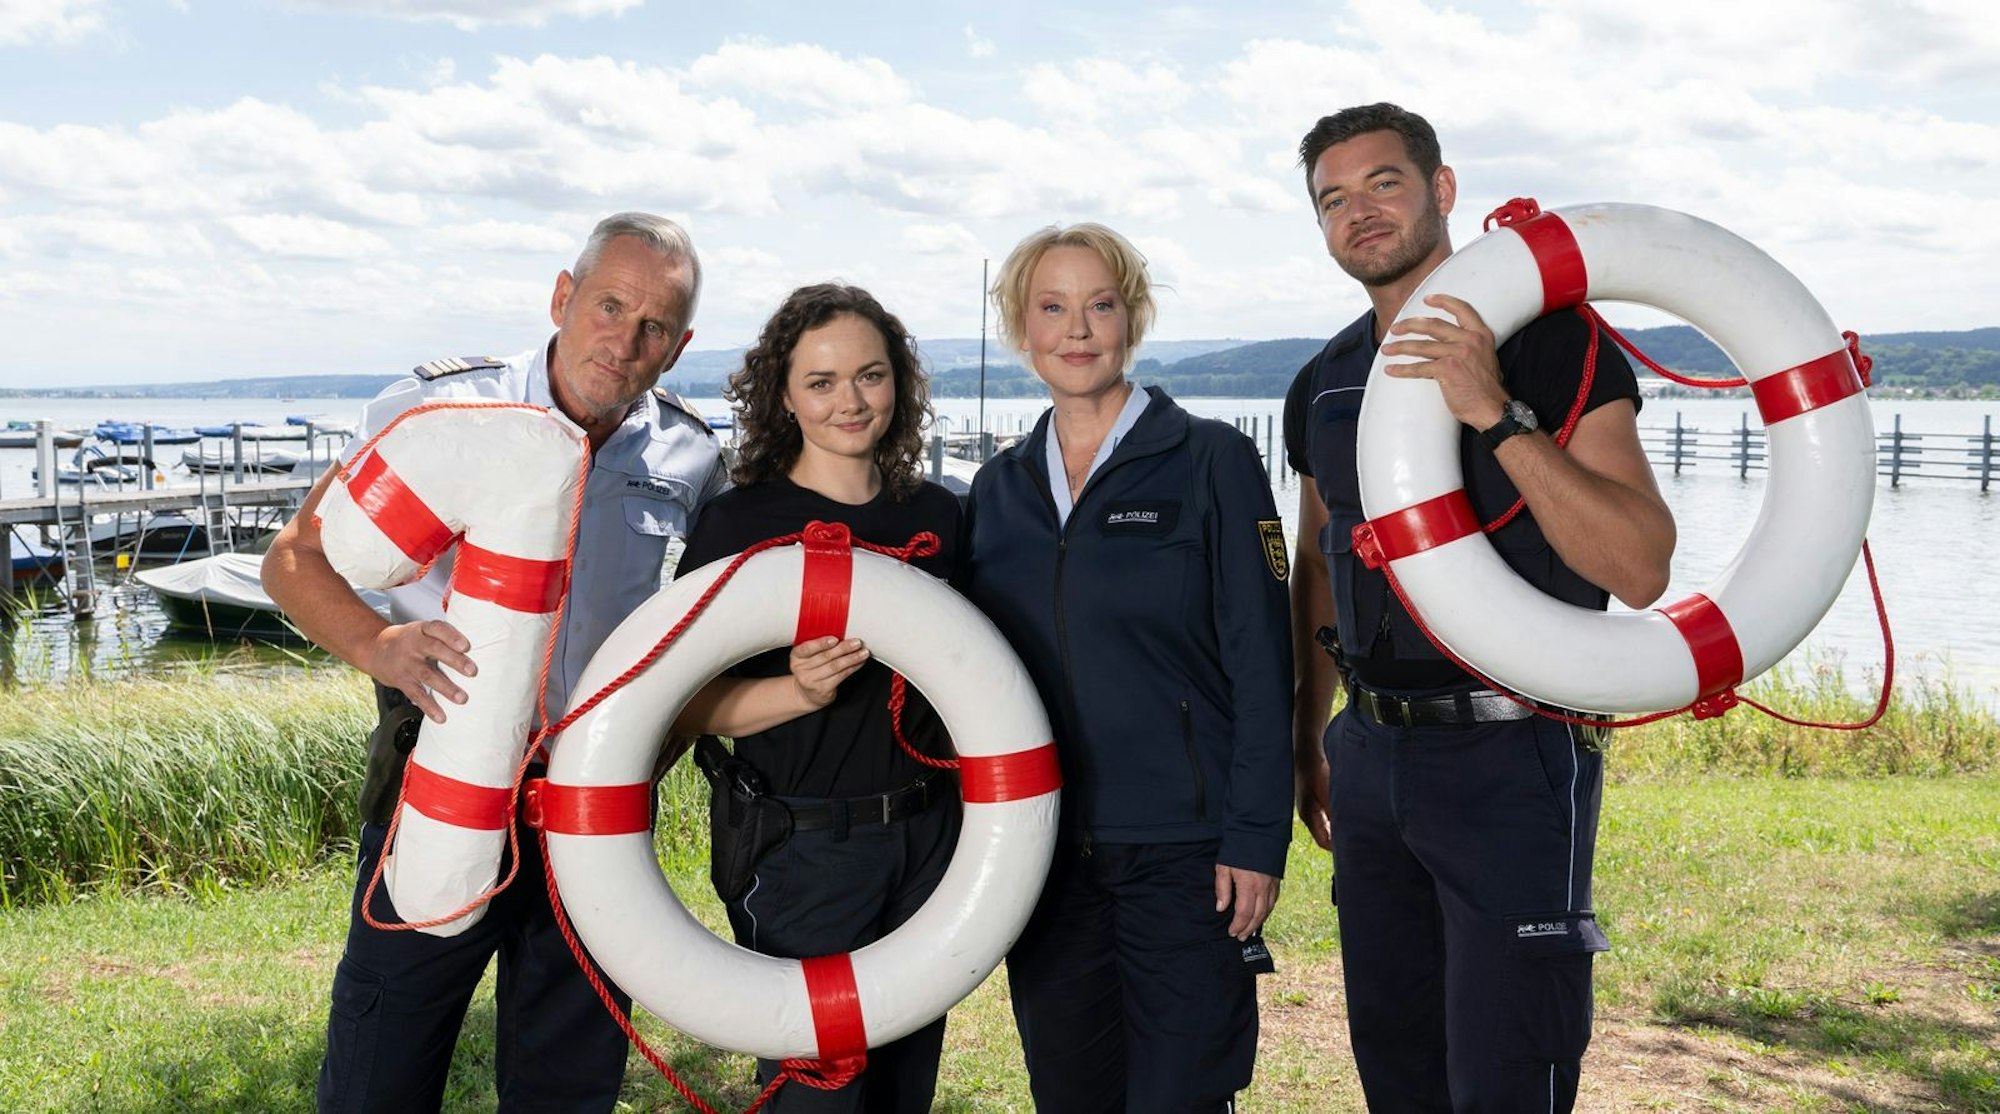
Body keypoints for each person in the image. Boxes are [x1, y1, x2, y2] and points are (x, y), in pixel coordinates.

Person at [262, 212, 728, 1113]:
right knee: (378, 1073)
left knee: (569, 1083)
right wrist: (377, 646)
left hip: (591, 815)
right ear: (562, 298)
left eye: (654, 327)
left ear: (679, 347)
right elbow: (294, 557)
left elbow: (700, 633)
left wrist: (651, 748)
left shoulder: (693, 452)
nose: (624, 342)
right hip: (438, 786)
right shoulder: (441, 410)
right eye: (609, 306)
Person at [1283, 104, 1676, 1112]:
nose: (1360, 212)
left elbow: (1638, 566)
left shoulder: (1551, 344)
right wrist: (1308, 736)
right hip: (1369, 755)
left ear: (1442, 189)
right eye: (1333, 199)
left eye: (1383, 183)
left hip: (1511, 754)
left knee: (1507, 1069)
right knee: (1396, 1065)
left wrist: (1492, 412)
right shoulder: (1321, 382)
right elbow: (1319, 568)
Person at [962, 223, 1294, 1112]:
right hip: (1043, 854)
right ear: (1021, 329)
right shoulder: (997, 490)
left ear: (1132, 319)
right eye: (1052, 308)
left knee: (1181, 1094)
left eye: (1100, 305)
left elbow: (1265, 666)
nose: (1077, 330)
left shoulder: (1212, 460)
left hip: (1185, 854)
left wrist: (1255, 838)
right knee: (1069, 1092)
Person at [668, 283, 963, 1112]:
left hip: (928, 839)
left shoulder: (939, 518)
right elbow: (685, 706)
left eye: (870, 375)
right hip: (802, 852)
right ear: (785, 397)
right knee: (818, 1095)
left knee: (904, 1088)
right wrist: (796, 692)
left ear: (898, 382)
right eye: (822, 382)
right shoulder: (739, 526)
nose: (851, 402)